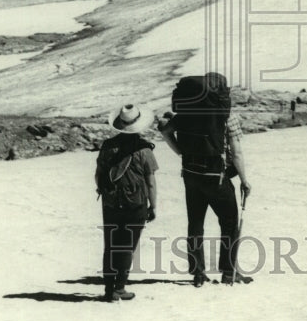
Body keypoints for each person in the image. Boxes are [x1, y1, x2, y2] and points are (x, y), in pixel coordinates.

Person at [159, 72, 252, 286]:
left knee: (195, 223)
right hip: (216, 176)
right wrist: (245, 181)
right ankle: (229, 272)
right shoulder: (227, 117)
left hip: (190, 174)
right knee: (229, 223)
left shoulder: (185, 113)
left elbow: (165, 131)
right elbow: (236, 153)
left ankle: (198, 273)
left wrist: (182, 152)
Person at [96, 103, 158, 302]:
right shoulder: (144, 150)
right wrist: (153, 206)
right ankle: (120, 288)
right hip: (135, 204)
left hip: (111, 203)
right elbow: (150, 182)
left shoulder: (107, 146)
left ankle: (108, 289)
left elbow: (98, 176)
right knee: (127, 246)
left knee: (111, 245)